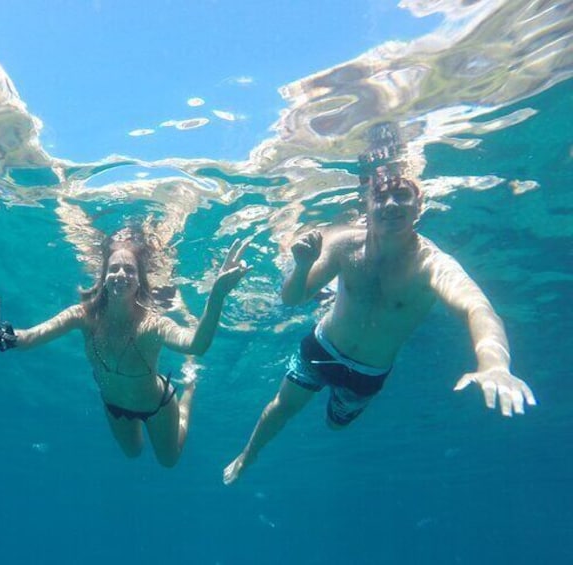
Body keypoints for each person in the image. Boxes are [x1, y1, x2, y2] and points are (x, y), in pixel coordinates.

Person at [223, 161, 536, 485]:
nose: (390, 204)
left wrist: (494, 364)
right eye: (381, 196)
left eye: (401, 195)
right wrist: (302, 266)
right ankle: (249, 453)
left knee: (336, 424)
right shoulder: (345, 244)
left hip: (366, 373)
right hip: (322, 346)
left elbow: (478, 309)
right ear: (366, 205)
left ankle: (326, 418)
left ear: (420, 204)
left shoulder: (432, 265)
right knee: (281, 407)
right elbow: (292, 299)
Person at [0, 229, 251, 467]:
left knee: (169, 461)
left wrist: (217, 295)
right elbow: (30, 338)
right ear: (103, 277)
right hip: (114, 405)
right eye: (114, 268)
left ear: (139, 281)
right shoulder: (82, 316)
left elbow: (197, 345)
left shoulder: (153, 325)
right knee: (133, 453)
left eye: (129, 269)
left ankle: (188, 391)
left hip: (157, 404)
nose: (121, 274)